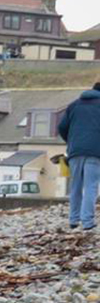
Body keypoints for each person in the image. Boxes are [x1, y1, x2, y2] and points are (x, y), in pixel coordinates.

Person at [58, 83, 100, 230]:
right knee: (91, 186)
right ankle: (87, 222)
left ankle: (73, 220)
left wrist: (71, 142)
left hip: (75, 151)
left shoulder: (74, 105)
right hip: (95, 152)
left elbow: (62, 127)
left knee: (76, 185)